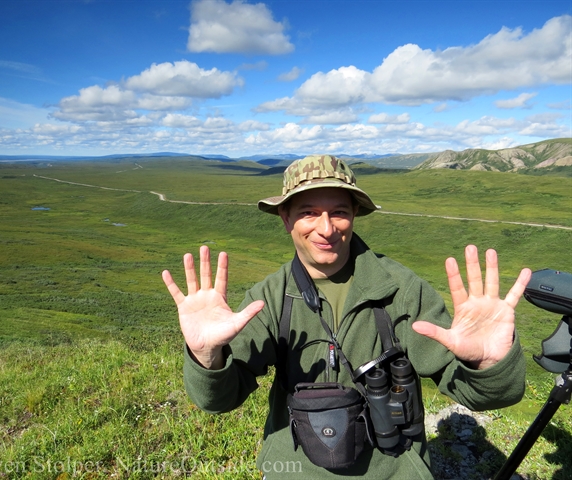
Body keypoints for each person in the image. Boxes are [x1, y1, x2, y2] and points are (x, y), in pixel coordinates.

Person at [162, 155, 532, 479]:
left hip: (393, 471)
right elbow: (219, 400)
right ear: (285, 218)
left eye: (338, 211)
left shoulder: (401, 289)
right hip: (295, 472)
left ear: (354, 215)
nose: (326, 228)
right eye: (308, 212)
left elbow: (481, 393)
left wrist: (488, 363)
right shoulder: (269, 298)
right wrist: (207, 357)